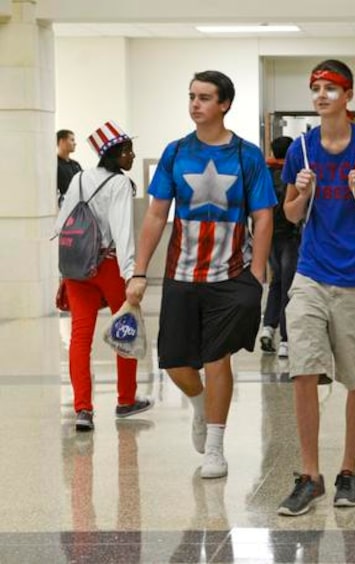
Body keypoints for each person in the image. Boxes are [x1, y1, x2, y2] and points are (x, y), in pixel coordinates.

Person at [126, 70, 276, 479]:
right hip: (181, 274)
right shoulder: (176, 153)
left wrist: (257, 273)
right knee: (175, 363)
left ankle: (215, 446)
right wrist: (140, 271)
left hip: (231, 276)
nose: (195, 104)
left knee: (217, 359)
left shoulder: (247, 156)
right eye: (191, 96)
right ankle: (198, 404)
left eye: (205, 97)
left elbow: (263, 217)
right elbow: (156, 215)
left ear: (224, 104)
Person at [277, 59, 355, 516]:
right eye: (316, 88)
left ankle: (349, 470)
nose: (322, 95)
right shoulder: (301, 151)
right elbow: (290, 214)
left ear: (348, 96)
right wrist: (302, 193)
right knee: (303, 371)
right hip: (310, 274)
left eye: (331, 88)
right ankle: (310, 476)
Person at [54, 121, 153, 432]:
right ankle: (125, 399)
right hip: (109, 265)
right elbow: (123, 232)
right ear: (115, 153)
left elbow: (62, 224)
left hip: (78, 267)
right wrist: (132, 275)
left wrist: (67, 268)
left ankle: (83, 409)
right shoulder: (120, 184)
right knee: (126, 327)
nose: (133, 156)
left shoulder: (80, 178)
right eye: (128, 150)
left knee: (79, 338)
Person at [259, 135, 300, 358]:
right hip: (290, 237)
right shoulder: (293, 174)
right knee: (288, 286)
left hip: (268, 236)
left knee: (276, 282)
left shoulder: (264, 173)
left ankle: (267, 328)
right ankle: (285, 339)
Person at [57, 129, 83, 208]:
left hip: (78, 207)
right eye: (72, 140)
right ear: (61, 142)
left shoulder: (76, 165)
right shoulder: (53, 164)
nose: (75, 143)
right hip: (62, 208)